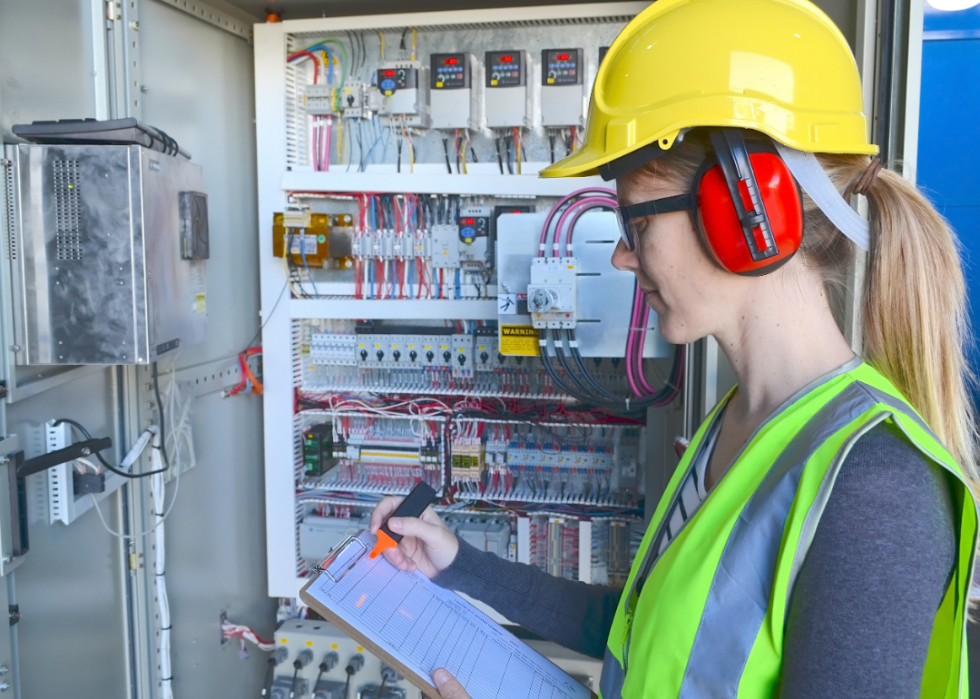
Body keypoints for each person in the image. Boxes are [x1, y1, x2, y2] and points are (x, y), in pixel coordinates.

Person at [370, 0, 980, 696]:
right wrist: (460, 565)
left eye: (635, 223)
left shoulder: (875, 490)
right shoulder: (742, 421)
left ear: (743, 209)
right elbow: (648, 631)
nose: (622, 257)